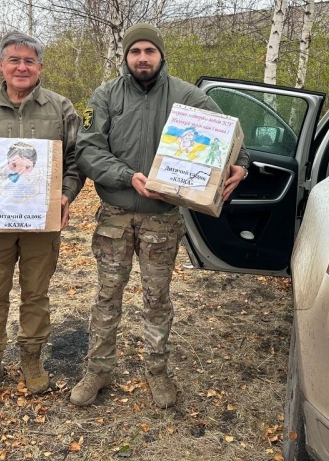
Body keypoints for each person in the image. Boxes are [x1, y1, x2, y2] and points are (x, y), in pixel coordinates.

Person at [71, 23, 249, 408]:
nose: (142, 58)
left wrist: (242, 164)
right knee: (107, 297)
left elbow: (227, 136)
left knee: (157, 298)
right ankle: (98, 371)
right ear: (126, 57)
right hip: (116, 215)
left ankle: (157, 372)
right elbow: (87, 148)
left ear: (161, 55)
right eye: (135, 52)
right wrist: (126, 177)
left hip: (162, 219)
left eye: (150, 51)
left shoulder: (188, 96)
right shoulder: (105, 96)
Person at [0, 31, 85, 403]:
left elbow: (76, 160)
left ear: (40, 66)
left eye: (29, 61)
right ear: (1, 66)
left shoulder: (61, 108)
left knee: (35, 294)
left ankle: (32, 360)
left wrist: (66, 194)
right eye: (14, 60)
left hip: (42, 223)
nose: (21, 67)